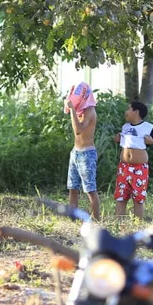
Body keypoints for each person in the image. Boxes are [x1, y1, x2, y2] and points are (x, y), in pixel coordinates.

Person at [113, 101, 153, 219]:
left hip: (139, 168)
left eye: (128, 109)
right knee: (121, 195)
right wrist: (117, 138)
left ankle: (137, 223)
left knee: (138, 197)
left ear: (136, 112)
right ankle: (119, 222)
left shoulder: (148, 127)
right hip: (124, 168)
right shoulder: (125, 127)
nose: (126, 112)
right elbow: (119, 140)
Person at [64, 82, 100, 220]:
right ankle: (72, 218)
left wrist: (72, 110)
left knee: (90, 190)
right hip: (75, 153)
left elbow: (78, 130)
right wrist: (71, 105)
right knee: (73, 188)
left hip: (87, 154)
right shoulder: (79, 111)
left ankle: (96, 220)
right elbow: (68, 112)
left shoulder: (89, 111)